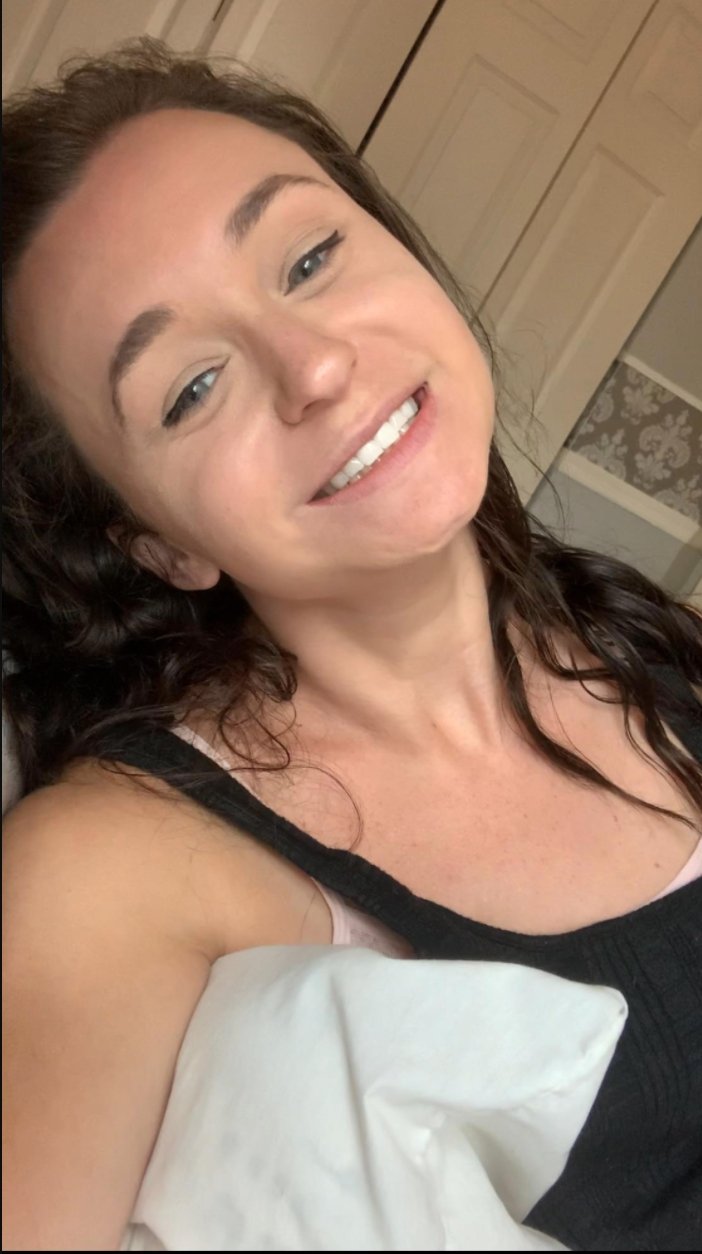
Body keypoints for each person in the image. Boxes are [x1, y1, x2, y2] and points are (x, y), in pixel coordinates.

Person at [2, 36, 700, 1253]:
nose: (317, 365)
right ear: (158, 542)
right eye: (190, 389)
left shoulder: (651, 640)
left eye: (310, 258)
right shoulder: (109, 870)